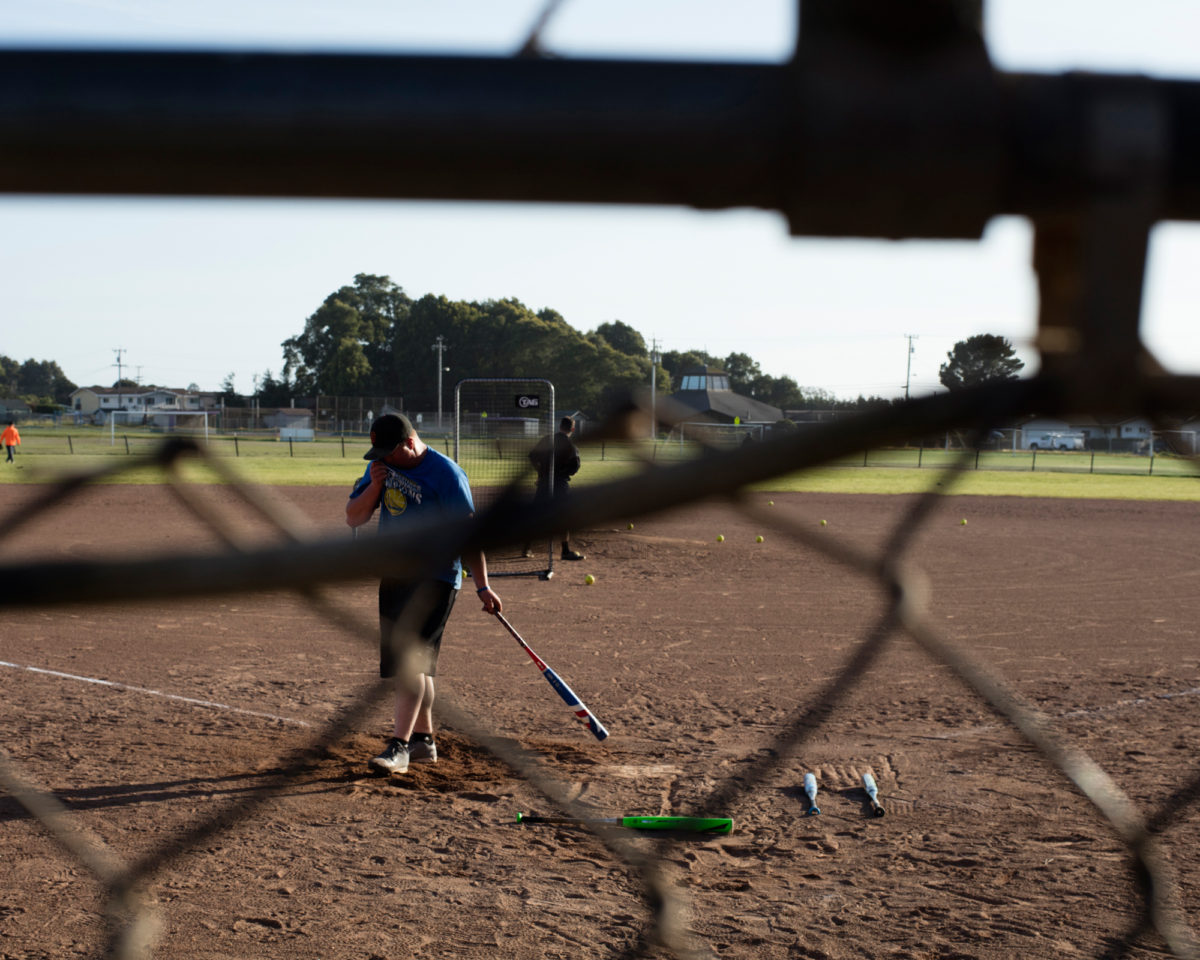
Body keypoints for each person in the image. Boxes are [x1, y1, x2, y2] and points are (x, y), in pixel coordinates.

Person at [346, 413, 501, 775]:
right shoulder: (380, 468)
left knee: (409, 661)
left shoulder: (446, 475)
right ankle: (423, 741)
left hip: (435, 579)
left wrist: (482, 585)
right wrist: (373, 485)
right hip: (396, 576)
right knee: (419, 667)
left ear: (410, 443)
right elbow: (354, 518)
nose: (382, 458)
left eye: (388, 451)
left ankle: (399, 747)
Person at [526, 415, 584, 561]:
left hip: (544, 482)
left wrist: (541, 472)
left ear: (560, 426)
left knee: (535, 515)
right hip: (560, 484)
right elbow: (575, 466)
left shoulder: (547, 440)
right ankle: (565, 551)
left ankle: (527, 548)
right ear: (572, 429)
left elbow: (532, 456)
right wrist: (562, 474)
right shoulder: (571, 445)